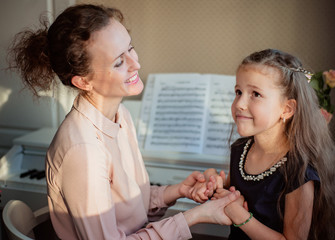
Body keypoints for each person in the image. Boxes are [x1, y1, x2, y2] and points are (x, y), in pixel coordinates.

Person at [7, 4, 241, 240]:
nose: (135, 64)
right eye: (119, 62)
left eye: (131, 48)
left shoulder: (122, 116)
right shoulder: (84, 151)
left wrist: (179, 191)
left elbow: (131, 209)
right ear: (84, 82)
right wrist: (194, 216)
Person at [191, 49, 335, 239]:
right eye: (238, 91)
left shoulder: (300, 169)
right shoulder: (240, 149)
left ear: (287, 109)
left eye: (255, 94)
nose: (240, 103)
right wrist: (212, 179)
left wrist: (239, 215)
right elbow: (231, 190)